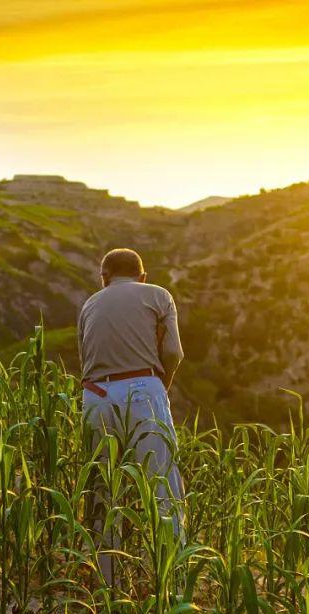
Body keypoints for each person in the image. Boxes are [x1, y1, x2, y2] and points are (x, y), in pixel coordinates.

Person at [77, 248, 185, 585]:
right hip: (143, 388)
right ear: (142, 276)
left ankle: (107, 585)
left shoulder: (90, 304)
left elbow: (85, 359)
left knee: (102, 489)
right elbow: (173, 352)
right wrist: (159, 386)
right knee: (162, 488)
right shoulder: (158, 295)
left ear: (104, 277)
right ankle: (172, 581)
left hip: (95, 395)